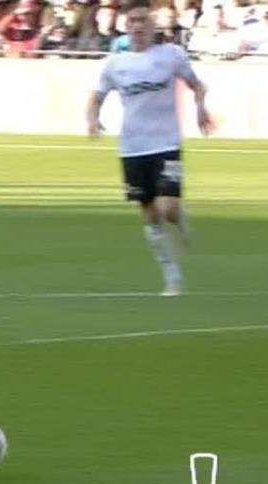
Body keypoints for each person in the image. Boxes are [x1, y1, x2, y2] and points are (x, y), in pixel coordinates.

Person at [86, 0, 213, 297]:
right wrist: (92, 119)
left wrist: (201, 110)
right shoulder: (115, 64)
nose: (138, 26)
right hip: (133, 147)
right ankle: (172, 276)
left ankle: (179, 218)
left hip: (166, 143)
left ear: (153, 24)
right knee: (149, 213)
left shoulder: (171, 56)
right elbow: (95, 97)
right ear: (125, 26)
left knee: (167, 207)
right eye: (132, 21)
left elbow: (198, 85)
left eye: (143, 20)